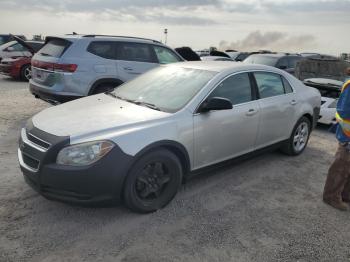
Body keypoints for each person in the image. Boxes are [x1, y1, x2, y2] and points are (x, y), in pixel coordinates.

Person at [323, 67, 350, 211]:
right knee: (341, 167)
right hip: (347, 137)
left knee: (347, 168)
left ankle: (345, 194)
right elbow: (344, 111)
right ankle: (331, 197)